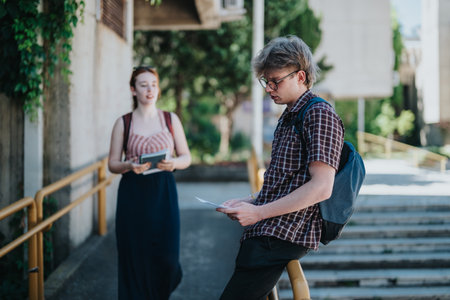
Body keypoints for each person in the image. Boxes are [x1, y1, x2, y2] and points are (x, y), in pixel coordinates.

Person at [217, 35, 344, 300]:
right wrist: (247, 202)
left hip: (282, 234)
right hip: (268, 231)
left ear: (300, 76)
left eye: (275, 81)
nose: (268, 88)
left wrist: (259, 212)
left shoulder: (319, 114)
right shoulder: (290, 114)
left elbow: (322, 187)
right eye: (266, 81)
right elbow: (284, 181)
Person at [108, 66, 191, 300]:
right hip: (133, 194)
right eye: (143, 85)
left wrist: (173, 163)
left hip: (163, 192)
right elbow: (112, 163)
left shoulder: (170, 119)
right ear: (133, 90)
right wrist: (128, 166)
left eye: (153, 84)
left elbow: (187, 157)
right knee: (134, 255)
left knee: (167, 258)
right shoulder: (123, 123)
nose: (149, 89)